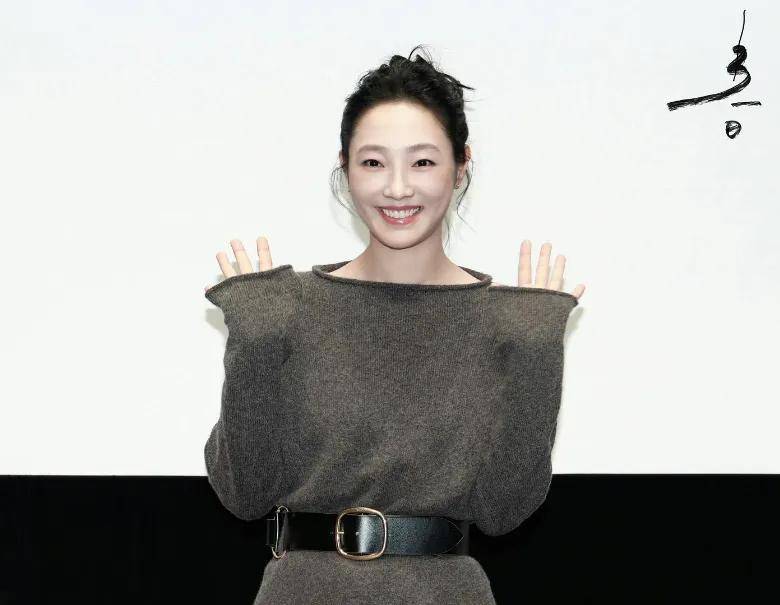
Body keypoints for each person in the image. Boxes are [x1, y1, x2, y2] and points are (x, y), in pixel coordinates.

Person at [203, 44, 585, 605]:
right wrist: (253, 347)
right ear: (345, 168)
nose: (398, 187)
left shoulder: (506, 322)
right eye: (374, 162)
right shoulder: (285, 308)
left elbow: (504, 510)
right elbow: (244, 494)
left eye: (423, 162)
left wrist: (536, 353)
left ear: (461, 165)